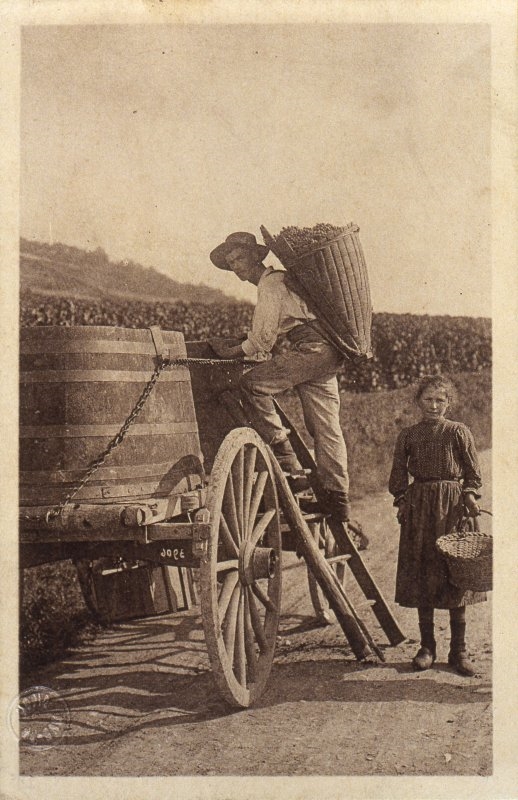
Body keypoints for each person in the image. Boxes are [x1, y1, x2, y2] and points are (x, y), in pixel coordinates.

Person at [209, 230, 354, 524]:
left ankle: (286, 457)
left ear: (256, 256)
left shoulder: (271, 284)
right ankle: (337, 500)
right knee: (324, 426)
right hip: (327, 350)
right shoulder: (281, 280)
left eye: (239, 257)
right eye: (230, 261)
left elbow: (261, 340)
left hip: (312, 349)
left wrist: (231, 352)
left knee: (252, 385)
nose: (236, 265)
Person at [388, 374, 485, 676]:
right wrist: (403, 500)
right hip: (420, 509)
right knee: (424, 572)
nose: (433, 405)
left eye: (439, 400)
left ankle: (459, 650)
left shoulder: (458, 432)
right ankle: (427, 646)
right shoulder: (408, 435)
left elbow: (473, 474)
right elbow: (397, 476)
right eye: (428, 399)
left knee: (456, 572)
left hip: (453, 508)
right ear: (418, 402)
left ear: (448, 402)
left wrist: (469, 495)